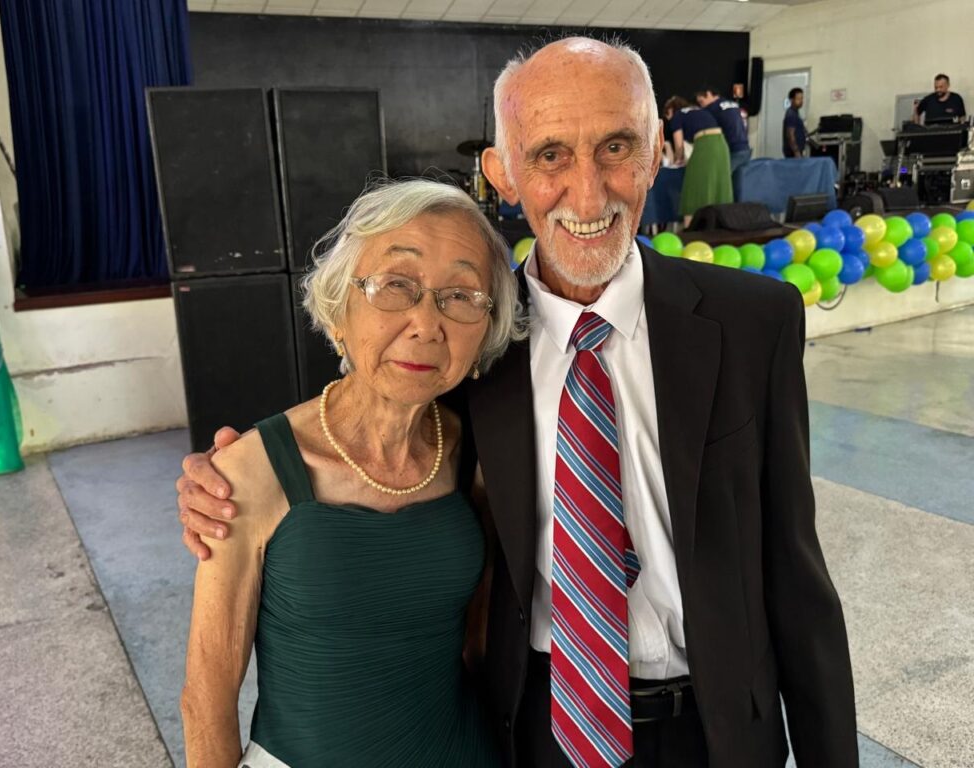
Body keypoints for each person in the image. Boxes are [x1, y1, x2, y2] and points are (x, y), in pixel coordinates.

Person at [178, 37, 858, 768]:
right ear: (503, 174)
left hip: (717, 733)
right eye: (551, 156)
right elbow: (367, 415)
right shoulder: (473, 354)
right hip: (536, 731)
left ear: (658, 151)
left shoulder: (753, 324)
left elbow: (797, 577)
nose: (589, 194)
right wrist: (231, 478)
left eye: (617, 146)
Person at [180, 179, 524, 767]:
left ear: (487, 333)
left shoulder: (476, 453)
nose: (425, 323)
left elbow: (479, 640)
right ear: (340, 309)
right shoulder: (251, 470)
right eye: (396, 285)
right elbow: (206, 701)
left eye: (462, 296)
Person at [663, 95, 733, 226]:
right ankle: (719, 229)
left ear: (671, 110)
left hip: (705, 143)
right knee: (718, 187)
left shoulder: (677, 116)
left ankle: (690, 229)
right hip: (722, 144)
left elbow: (679, 146)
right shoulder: (698, 111)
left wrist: (678, 159)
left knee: (692, 187)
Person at [695, 86, 752, 173]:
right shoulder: (733, 104)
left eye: (701, 102)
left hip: (732, 151)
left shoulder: (712, 109)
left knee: (721, 179)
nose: (701, 106)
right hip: (745, 148)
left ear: (709, 94)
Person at [783, 88, 807, 158]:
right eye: (798, 99)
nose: (801, 101)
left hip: (796, 152)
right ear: (791, 100)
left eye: (802, 98)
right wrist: (796, 152)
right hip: (793, 154)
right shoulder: (791, 114)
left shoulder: (796, 113)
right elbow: (790, 135)